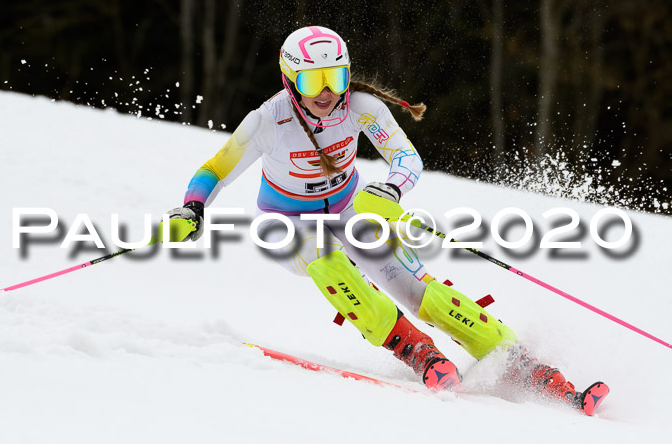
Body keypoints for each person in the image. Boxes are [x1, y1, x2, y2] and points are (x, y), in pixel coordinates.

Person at [166, 26, 591, 407]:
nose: (327, 91)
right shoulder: (266, 121)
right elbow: (216, 169)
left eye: (337, 77)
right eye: (314, 80)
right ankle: (417, 351)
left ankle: (527, 367)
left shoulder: (361, 106)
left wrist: (390, 189)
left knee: (419, 289)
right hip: (285, 222)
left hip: (351, 209)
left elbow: (406, 156)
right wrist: (193, 207)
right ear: (289, 79)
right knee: (327, 259)